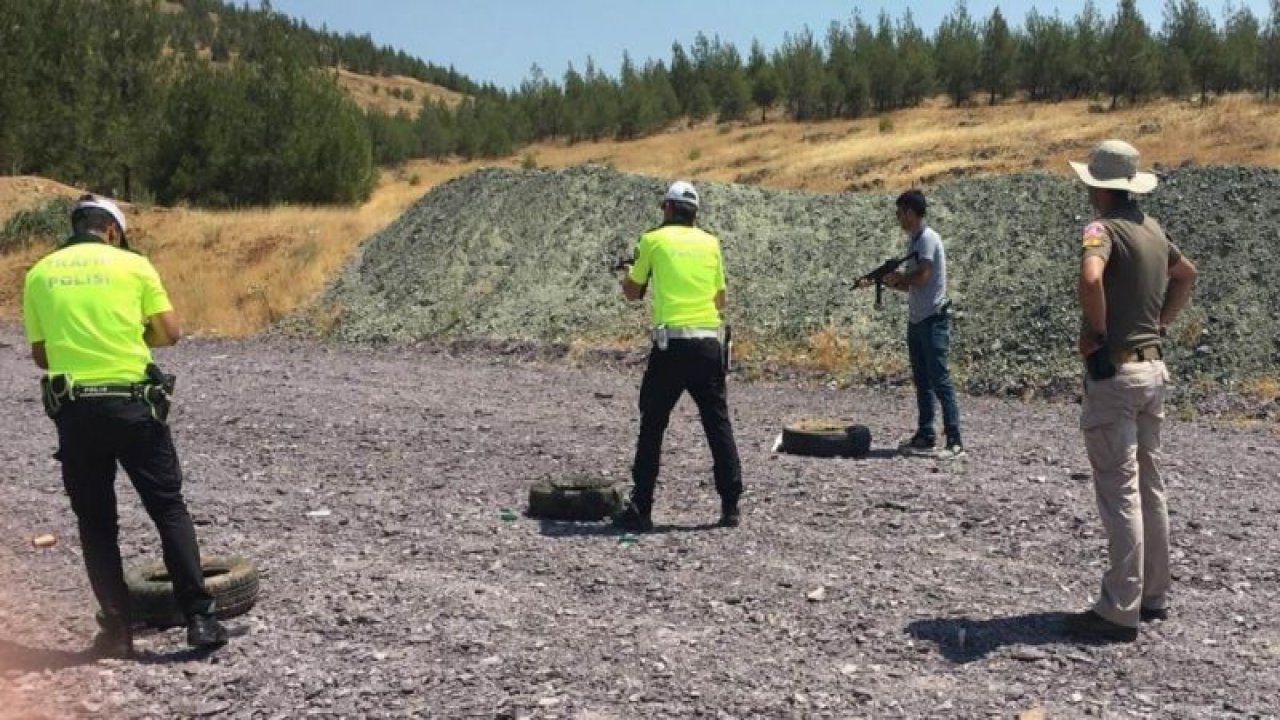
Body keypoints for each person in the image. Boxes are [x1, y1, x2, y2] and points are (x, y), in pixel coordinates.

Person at [22, 195, 228, 658]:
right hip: (134, 406)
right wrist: (134, 336)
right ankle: (199, 618)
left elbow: (41, 355)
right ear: (112, 231)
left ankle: (116, 630)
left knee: (96, 524)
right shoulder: (133, 266)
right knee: (167, 509)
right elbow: (169, 332)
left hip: (75, 412)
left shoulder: (39, 273)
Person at [1061, 140, 1198, 643]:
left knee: (1119, 492)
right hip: (1153, 370)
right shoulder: (1154, 229)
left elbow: (1090, 275)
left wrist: (1095, 332)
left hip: (1116, 373)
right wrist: (1161, 322)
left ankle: (1120, 606)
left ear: (1099, 185)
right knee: (1150, 485)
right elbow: (1187, 274)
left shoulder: (1101, 230)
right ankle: (1154, 595)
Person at [612, 180, 743, 533]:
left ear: (667, 209)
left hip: (672, 345)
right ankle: (731, 505)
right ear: (695, 213)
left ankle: (642, 506)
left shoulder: (651, 240)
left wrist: (629, 272)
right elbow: (720, 299)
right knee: (717, 421)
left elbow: (633, 292)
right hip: (709, 343)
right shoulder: (711, 243)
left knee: (653, 424)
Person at [860, 190, 964, 459]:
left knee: (939, 380)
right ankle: (926, 433)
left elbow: (923, 275)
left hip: (932, 320)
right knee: (922, 381)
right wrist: (891, 282)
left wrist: (898, 278)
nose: (898, 218)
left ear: (911, 212)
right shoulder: (915, 242)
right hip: (918, 319)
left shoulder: (927, 240)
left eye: (900, 212)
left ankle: (954, 439)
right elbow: (914, 286)